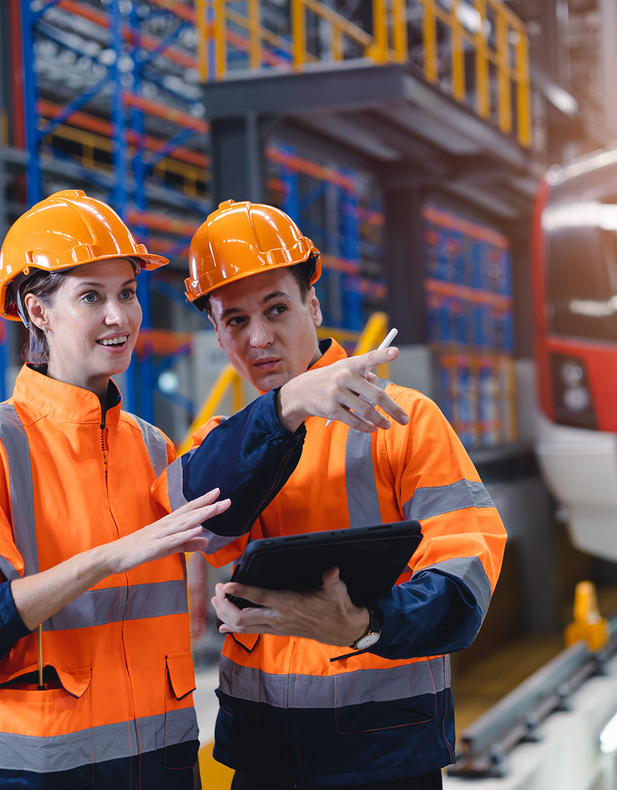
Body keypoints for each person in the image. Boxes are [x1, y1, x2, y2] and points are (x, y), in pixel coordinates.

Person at [0, 191, 314, 790]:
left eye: (126, 292)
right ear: (36, 311)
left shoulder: (151, 447)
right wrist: (109, 557)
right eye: (91, 296)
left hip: (161, 768)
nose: (119, 316)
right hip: (28, 775)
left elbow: (226, 524)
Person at [157, 200, 508, 789]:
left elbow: (465, 578)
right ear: (217, 334)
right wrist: (288, 405)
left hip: (386, 754)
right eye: (236, 321)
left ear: (312, 306)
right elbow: (196, 520)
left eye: (276, 309)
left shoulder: (404, 419)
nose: (260, 337)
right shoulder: (224, 443)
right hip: (264, 755)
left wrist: (366, 625)